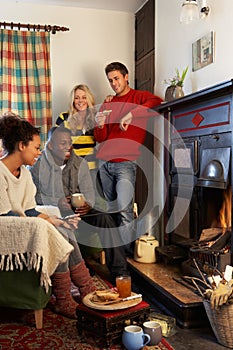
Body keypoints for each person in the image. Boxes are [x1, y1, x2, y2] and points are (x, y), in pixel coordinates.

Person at [0, 112, 96, 320]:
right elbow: (5, 215)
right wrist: (43, 224)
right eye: (36, 147)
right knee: (49, 231)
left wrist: (61, 221)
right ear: (21, 145)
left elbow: (31, 210)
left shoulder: (24, 173)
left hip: (21, 225)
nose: (39, 152)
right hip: (5, 231)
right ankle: (66, 297)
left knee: (63, 229)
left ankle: (83, 288)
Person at [29, 125, 129, 283]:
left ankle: (120, 273)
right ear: (51, 145)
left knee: (105, 218)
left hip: (79, 214)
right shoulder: (36, 167)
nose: (68, 147)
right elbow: (32, 199)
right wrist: (58, 202)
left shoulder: (80, 163)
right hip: (53, 216)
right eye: (62, 143)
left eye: (69, 142)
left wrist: (87, 204)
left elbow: (89, 193)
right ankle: (67, 277)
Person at [94, 61, 163, 255]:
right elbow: (101, 138)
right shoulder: (108, 103)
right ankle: (115, 256)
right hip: (104, 163)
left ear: (126, 77)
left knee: (124, 211)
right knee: (111, 211)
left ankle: (125, 259)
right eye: (110, 80)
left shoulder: (139, 97)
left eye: (116, 78)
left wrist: (133, 114)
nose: (114, 83)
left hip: (125, 164)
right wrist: (100, 124)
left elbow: (157, 101)